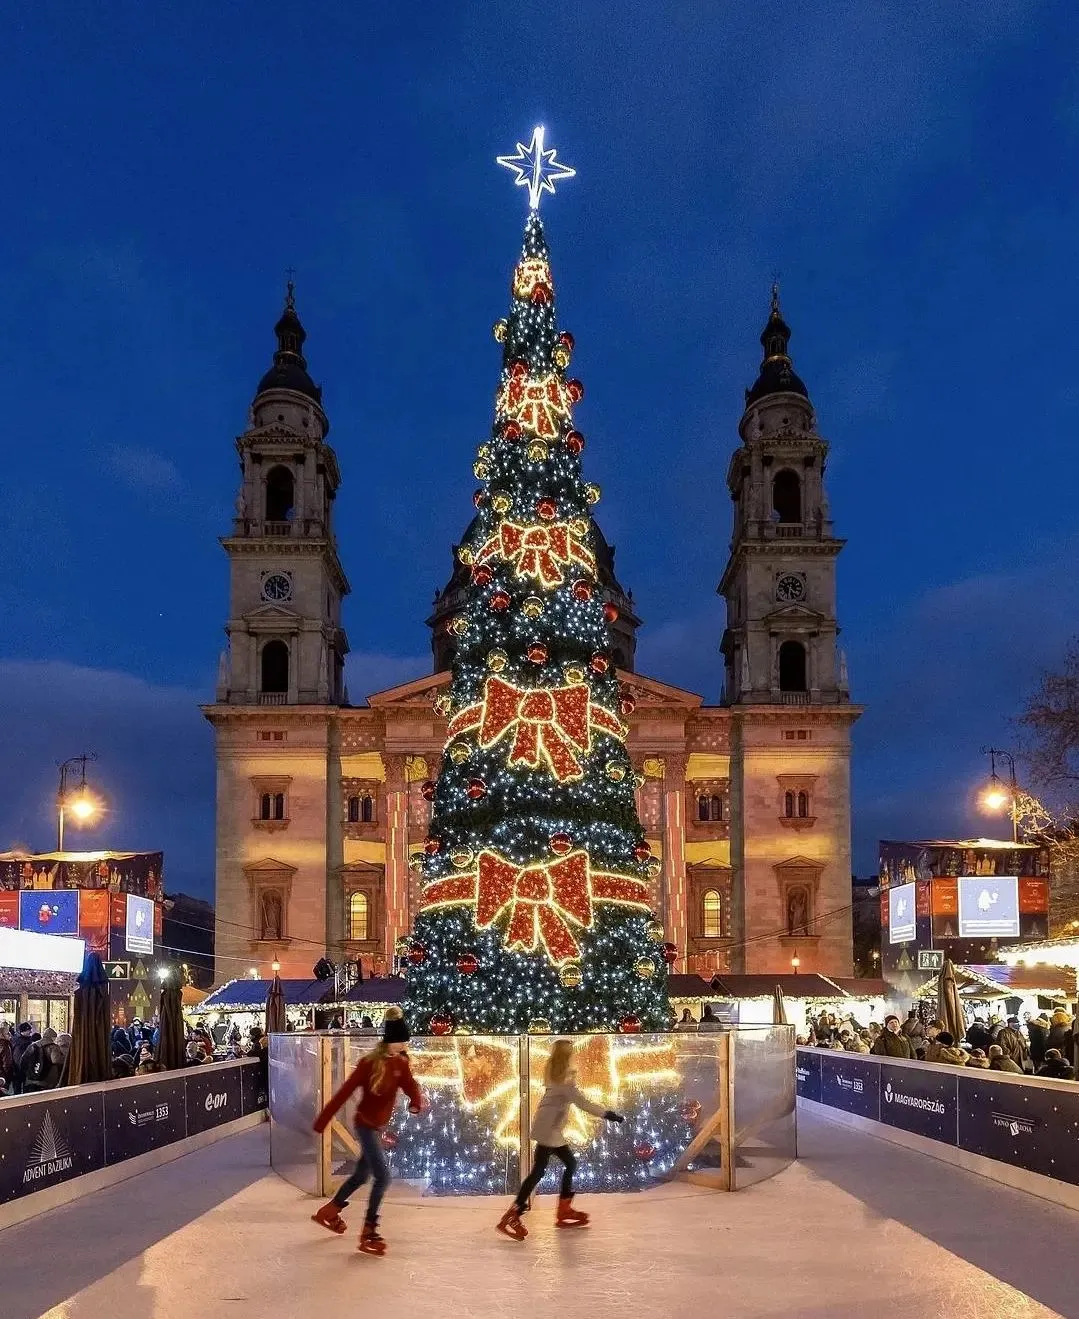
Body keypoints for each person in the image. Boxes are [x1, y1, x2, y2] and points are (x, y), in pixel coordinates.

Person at [310, 1007, 422, 1255]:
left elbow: (411, 1086)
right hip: (365, 1125)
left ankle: (329, 1211)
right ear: (392, 1041)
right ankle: (369, 1230)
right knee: (383, 1177)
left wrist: (416, 1102)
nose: (405, 1045)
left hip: (378, 1127)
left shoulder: (401, 1064)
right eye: (402, 1041)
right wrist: (323, 1120)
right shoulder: (369, 1064)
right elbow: (343, 1094)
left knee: (361, 1175)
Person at [497, 1039, 624, 1241]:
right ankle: (516, 1214)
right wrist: (609, 1115)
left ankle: (550, 1210)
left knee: (557, 1166)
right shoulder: (565, 1084)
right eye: (571, 1053)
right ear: (567, 1057)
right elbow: (585, 1104)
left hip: (547, 1126)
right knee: (544, 1170)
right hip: (550, 1130)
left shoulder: (554, 1076)